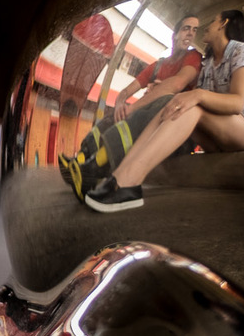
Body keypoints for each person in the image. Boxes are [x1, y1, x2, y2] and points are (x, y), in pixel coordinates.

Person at [84, 9, 244, 212]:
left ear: (224, 23)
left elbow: (237, 103)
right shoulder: (208, 63)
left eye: (212, 20)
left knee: (193, 108)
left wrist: (198, 95)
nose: (206, 27)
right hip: (215, 136)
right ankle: (121, 175)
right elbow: (190, 95)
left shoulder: (241, 51)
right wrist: (163, 91)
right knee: (174, 105)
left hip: (243, 129)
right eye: (187, 28)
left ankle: (130, 181)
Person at [61, 15, 202, 200]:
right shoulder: (159, 65)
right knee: (116, 117)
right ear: (175, 34)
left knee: (160, 102)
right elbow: (125, 92)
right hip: (151, 117)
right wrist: (121, 103)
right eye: (186, 28)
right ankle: (80, 162)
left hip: (173, 129)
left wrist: (136, 105)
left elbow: (177, 84)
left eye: (195, 30)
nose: (191, 34)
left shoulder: (193, 57)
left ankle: (92, 169)